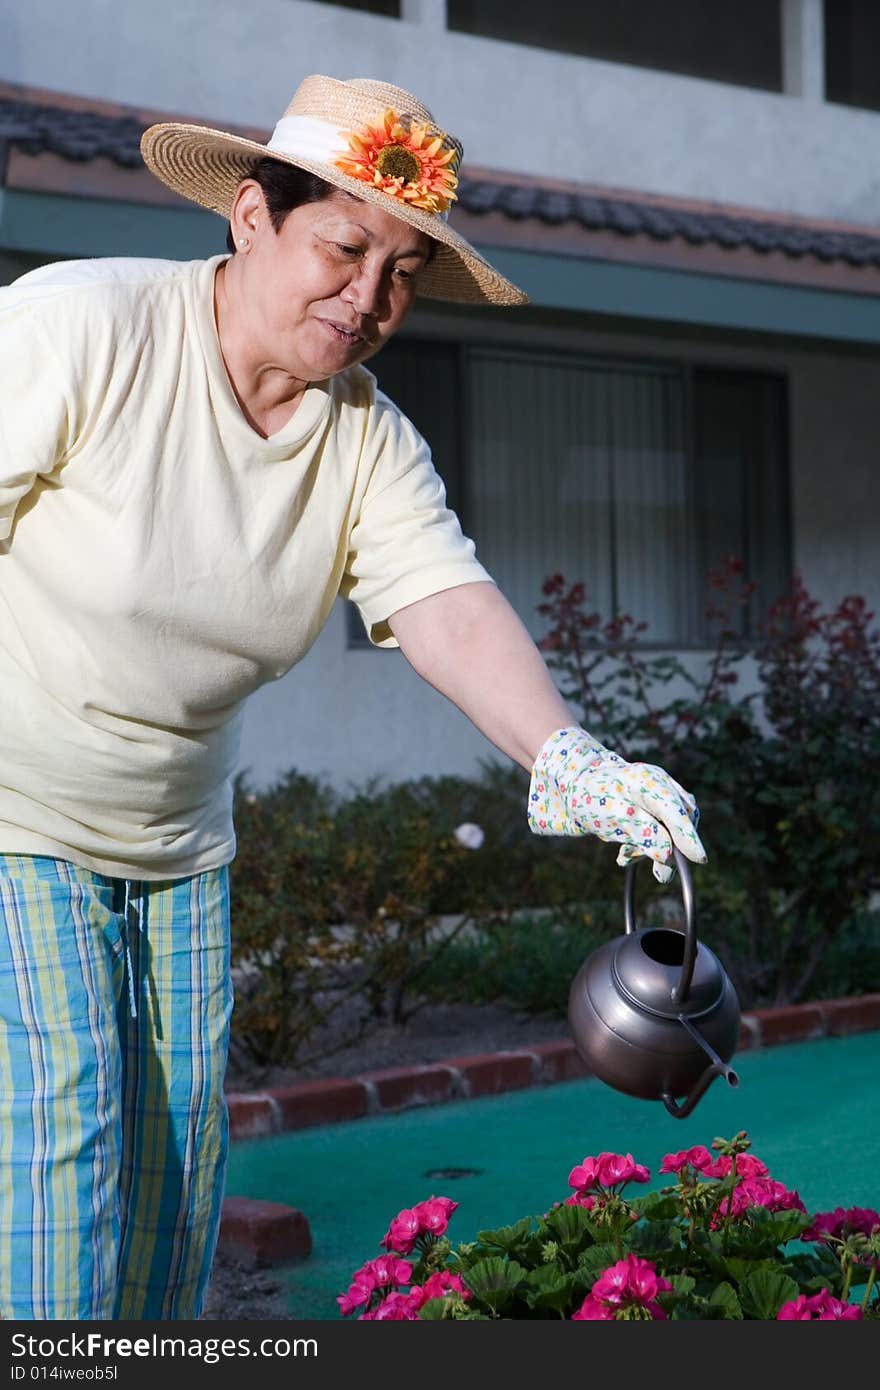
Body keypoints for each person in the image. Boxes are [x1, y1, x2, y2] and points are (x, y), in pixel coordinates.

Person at [0, 73, 706, 1320]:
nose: (369, 297)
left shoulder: (364, 438)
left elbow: (444, 604)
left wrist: (572, 758)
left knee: (177, 1180)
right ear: (252, 218)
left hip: (179, 840)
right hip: (13, 813)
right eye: (343, 245)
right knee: (63, 1150)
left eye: (401, 271)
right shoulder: (80, 329)